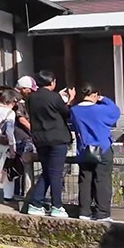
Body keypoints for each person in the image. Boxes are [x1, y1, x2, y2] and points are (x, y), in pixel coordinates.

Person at [25, 70, 74, 217]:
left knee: (47, 171)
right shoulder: (55, 97)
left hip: (40, 139)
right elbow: (66, 113)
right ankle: (57, 206)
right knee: (56, 173)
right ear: (52, 82)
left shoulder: (31, 98)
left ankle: (35, 203)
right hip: (57, 138)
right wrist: (70, 100)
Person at [70, 84, 122, 222]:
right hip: (102, 148)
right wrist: (103, 98)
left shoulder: (74, 110)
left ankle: (84, 212)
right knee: (102, 181)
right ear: (95, 95)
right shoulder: (101, 109)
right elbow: (115, 112)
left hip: (84, 150)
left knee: (85, 181)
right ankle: (102, 213)